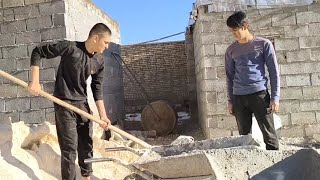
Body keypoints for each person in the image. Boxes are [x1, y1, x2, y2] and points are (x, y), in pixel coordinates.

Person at [27, 23, 112, 179]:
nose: (107, 47)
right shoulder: (70, 48)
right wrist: (35, 80)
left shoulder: (99, 60)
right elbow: (37, 52)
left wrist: (103, 115)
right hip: (64, 104)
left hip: (82, 105)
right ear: (95, 38)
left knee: (86, 146)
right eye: (106, 42)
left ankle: (86, 177)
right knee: (69, 150)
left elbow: (97, 89)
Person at [225, 11, 280, 150]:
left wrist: (275, 97)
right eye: (231, 31)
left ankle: (276, 169)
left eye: (235, 30)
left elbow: (274, 73)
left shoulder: (264, 44)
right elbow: (229, 76)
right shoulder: (231, 50)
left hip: (260, 96)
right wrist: (230, 100)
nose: (234, 33)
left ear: (245, 26)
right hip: (239, 98)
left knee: (270, 136)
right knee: (244, 138)